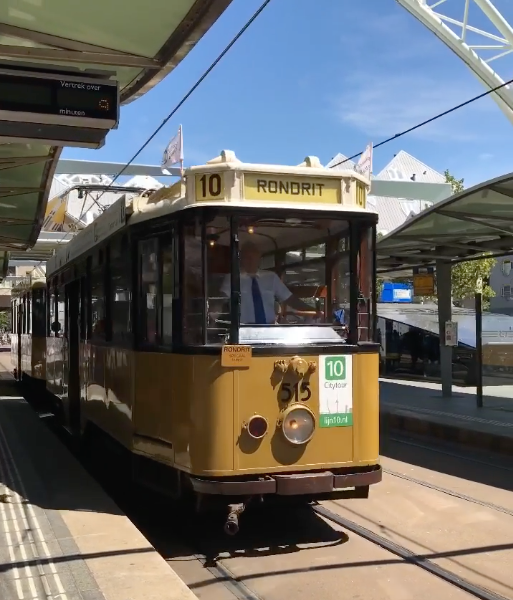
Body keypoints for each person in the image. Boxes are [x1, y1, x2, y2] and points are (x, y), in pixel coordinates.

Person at [221, 241, 322, 324]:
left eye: (253, 257)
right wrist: (211, 311)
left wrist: (313, 310)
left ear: (259, 258)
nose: (250, 260)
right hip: (243, 329)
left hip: (269, 328)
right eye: (247, 257)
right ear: (241, 259)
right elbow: (221, 299)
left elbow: (290, 299)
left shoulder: (271, 277)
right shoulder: (232, 278)